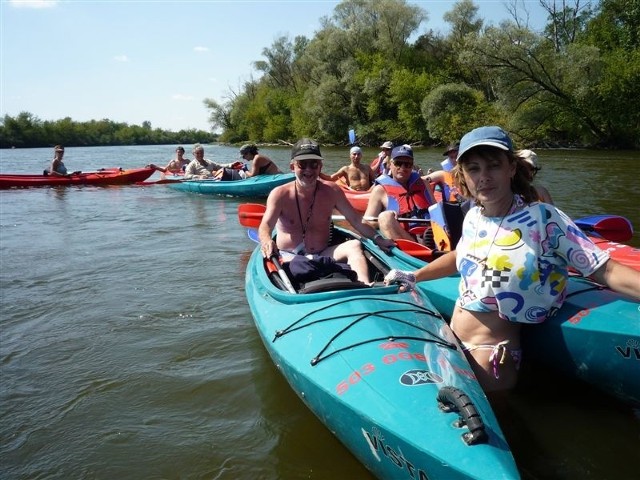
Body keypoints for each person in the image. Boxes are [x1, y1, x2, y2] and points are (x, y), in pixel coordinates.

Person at [384, 125, 640, 401]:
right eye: (474, 168)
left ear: (512, 168)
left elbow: (604, 269)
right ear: (464, 176)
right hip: (452, 338)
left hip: (491, 355)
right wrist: (414, 275)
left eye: (493, 166)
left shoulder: (544, 218)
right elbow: (460, 256)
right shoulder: (474, 217)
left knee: (491, 432)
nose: (484, 177)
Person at [259, 138, 395, 284]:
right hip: (289, 256)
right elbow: (266, 225)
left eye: (314, 164)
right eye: (302, 164)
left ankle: (364, 285)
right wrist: (267, 240)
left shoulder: (332, 191)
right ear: (292, 167)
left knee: (354, 245)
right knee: (296, 267)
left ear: (320, 167)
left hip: (323, 253)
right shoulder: (279, 194)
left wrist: (378, 239)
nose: (309, 170)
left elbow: (355, 219)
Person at [362, 144, 436, 244]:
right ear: (390, 164)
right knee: (385, 217)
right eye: (398, 163)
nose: (403, 167)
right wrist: (387, 218)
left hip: (430, 233)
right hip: (403, 238)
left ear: (412, 165)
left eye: (407, 164)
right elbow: (367, 222)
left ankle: (433, 245)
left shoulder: (424, 184)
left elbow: (437, 211)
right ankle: (418, 247)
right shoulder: (379, 190)